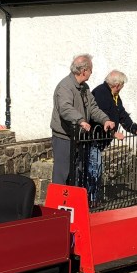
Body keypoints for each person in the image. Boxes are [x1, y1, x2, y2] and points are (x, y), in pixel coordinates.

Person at [51, 54, 115, 185]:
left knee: (77, 174)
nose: (92, 72)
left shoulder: (85, 88)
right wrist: (80, 120)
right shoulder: (65, 86)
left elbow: (93, 108)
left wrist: (105, 120)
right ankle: (57, 205)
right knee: (62, 175)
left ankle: (73, 204)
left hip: (79, 138)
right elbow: (65, 108)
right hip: (64, 137)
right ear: (84, 71)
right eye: (91, 69)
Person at [85, 70, 137, 202]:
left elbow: (122, 115)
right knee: (95, 169)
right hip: (93, 139)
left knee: (96, 168)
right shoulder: (101, 94)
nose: (122, 88)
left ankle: (92, 199)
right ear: (117, 85)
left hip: (100, 140)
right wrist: (112, 133)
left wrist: (135, 130)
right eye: (122, 85)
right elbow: (98, 119)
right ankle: (91, 200)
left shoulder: (114, 96)